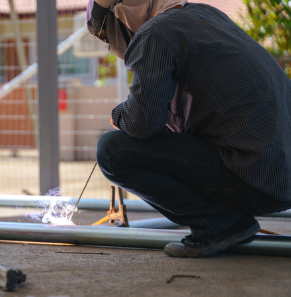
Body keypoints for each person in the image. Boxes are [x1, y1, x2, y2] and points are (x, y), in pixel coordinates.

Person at [86, 0, 291, 257]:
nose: (110, 45)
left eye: (105, 35)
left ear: (120, 14)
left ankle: (219, 224)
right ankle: (227, 219)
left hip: (256, 175)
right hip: (279, 174)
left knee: (112, 150)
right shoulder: (203, 13)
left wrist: (119, 115)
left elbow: (142, 124)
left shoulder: (154, 35)